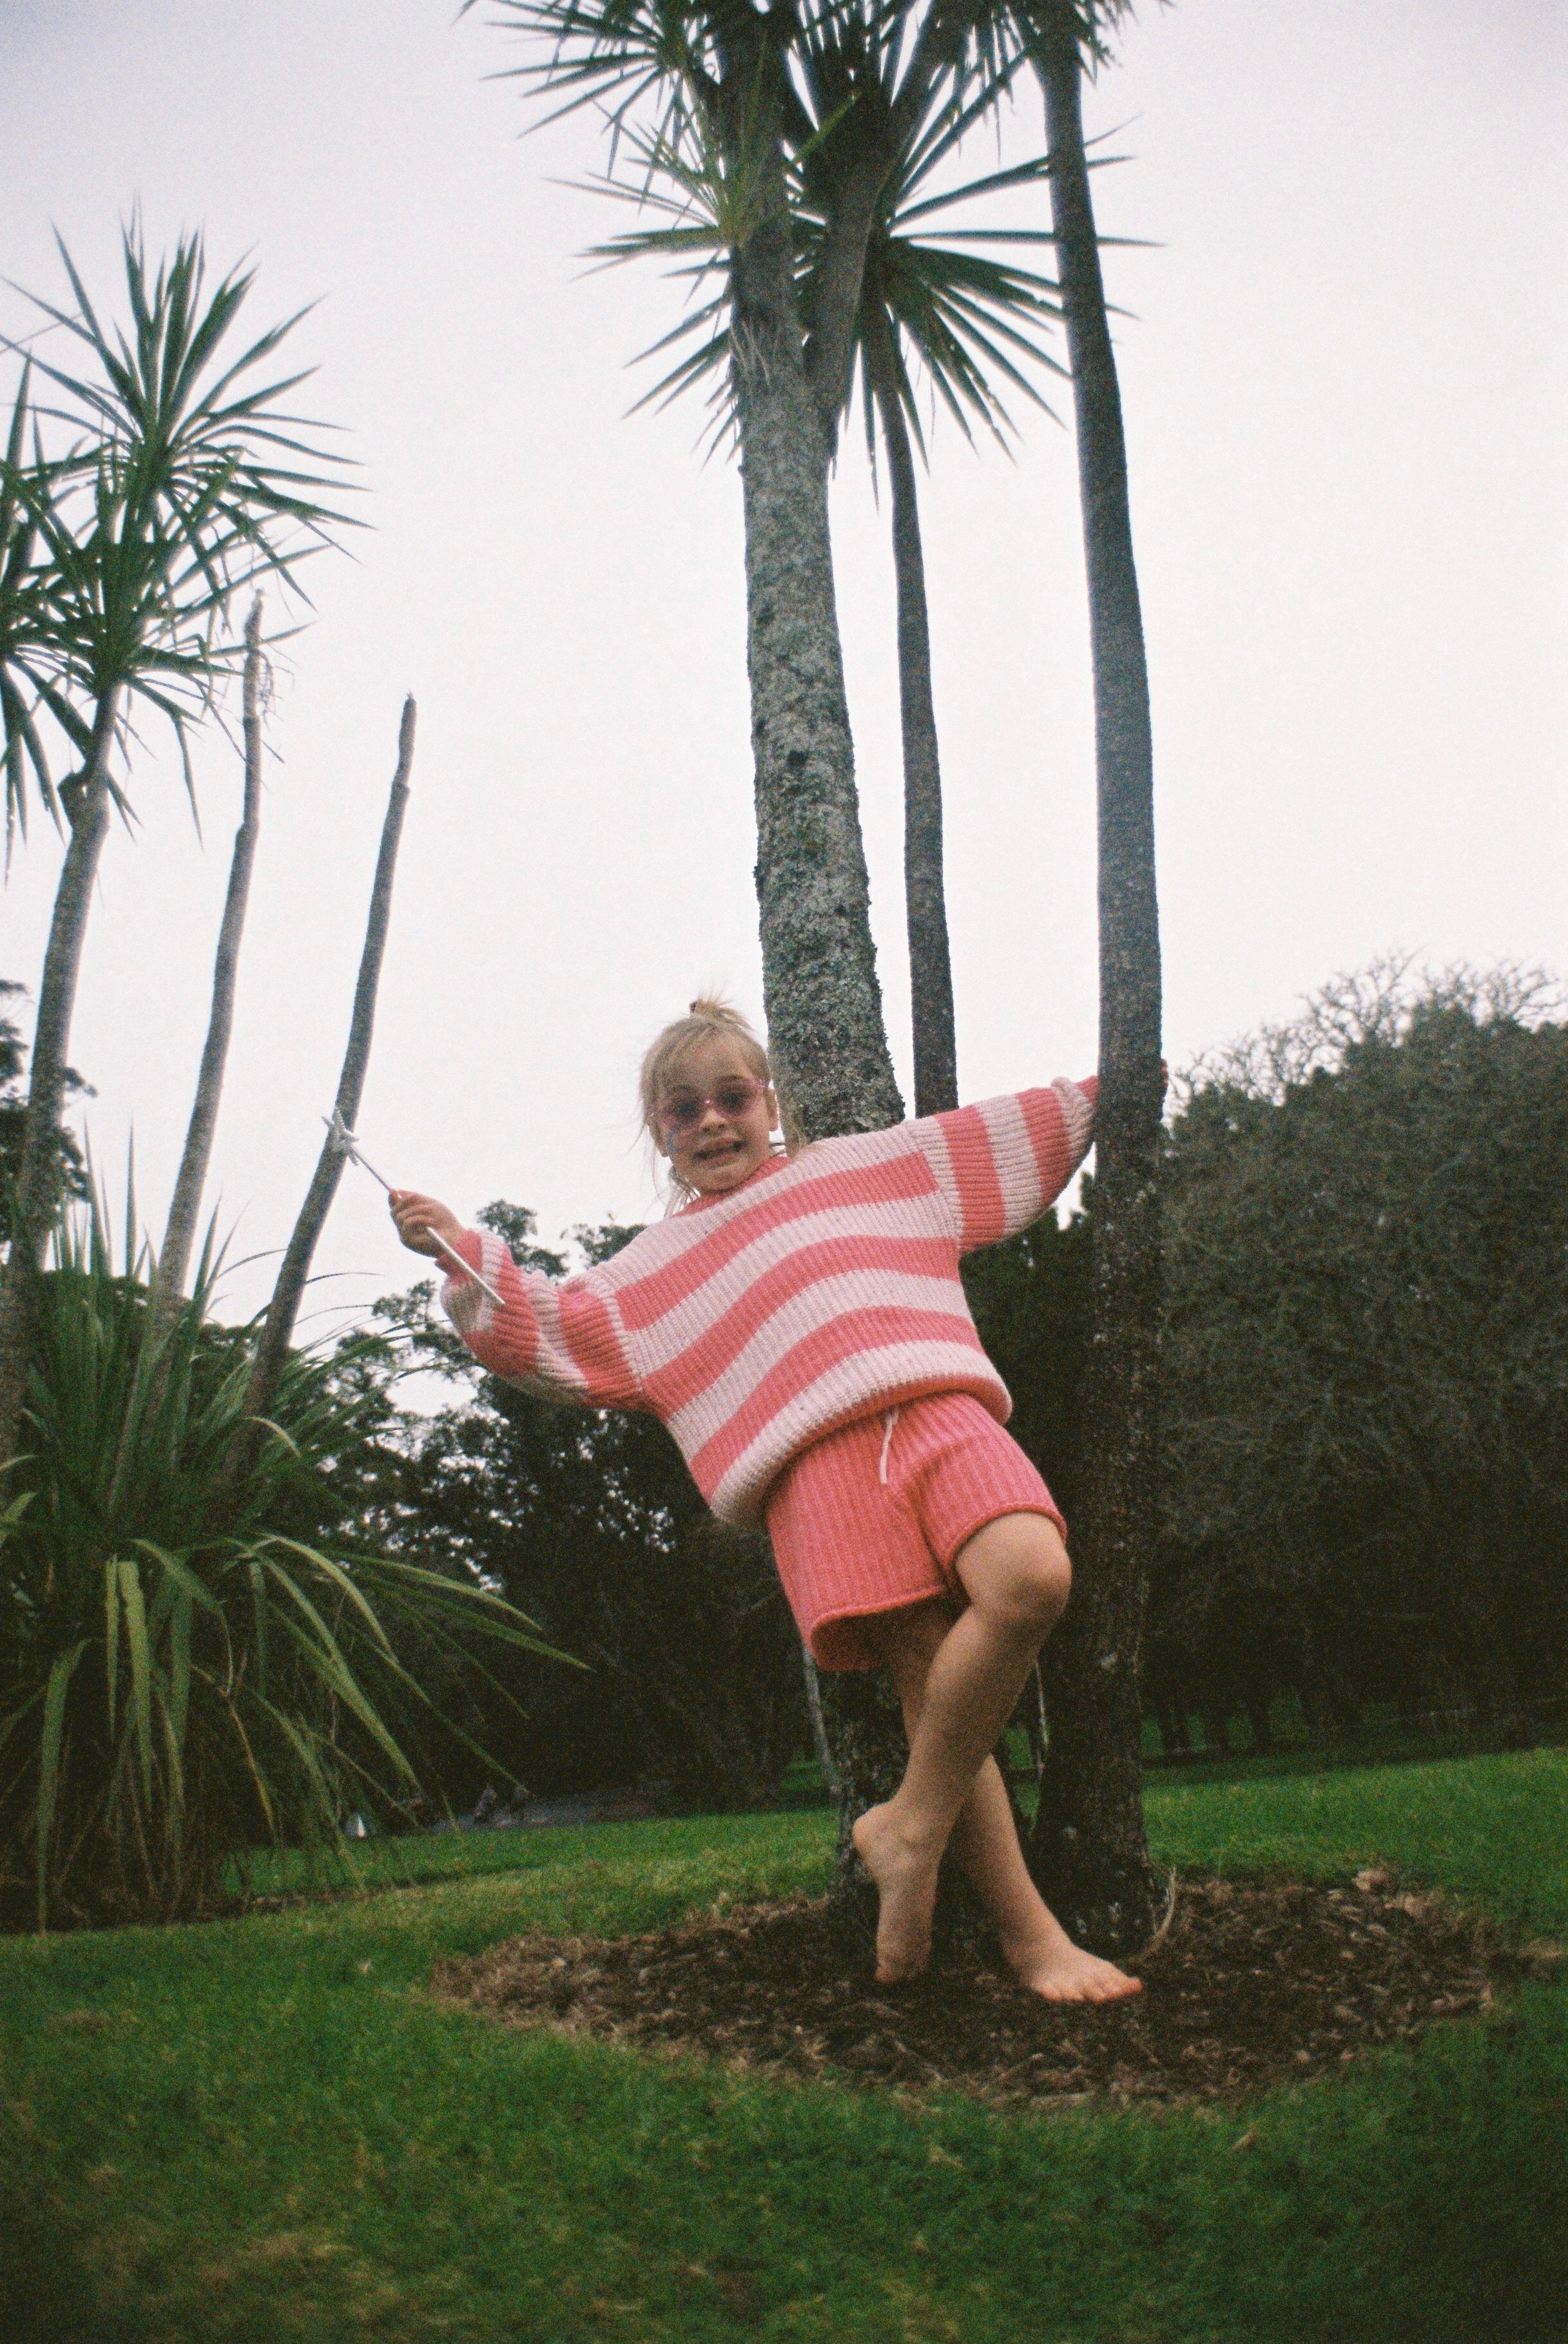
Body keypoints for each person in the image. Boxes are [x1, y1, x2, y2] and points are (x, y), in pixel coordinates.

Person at [391, 999, 1141, 2004]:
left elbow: (1012, 1136)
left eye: (732, 1097)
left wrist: (1116, 1080)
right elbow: (546, 1328)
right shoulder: (646, 1274)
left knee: (1031, 1578)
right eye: (683, 1108)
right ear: (659, 1130)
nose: (711, 1120)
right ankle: (1031, 1937)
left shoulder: (867, 1168)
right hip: (813, 1472)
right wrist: (457, 1250)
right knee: (928, 1680)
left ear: (769, 1101)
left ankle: (907, 1826)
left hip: (939, 1411)